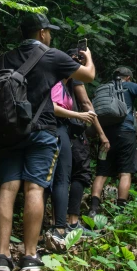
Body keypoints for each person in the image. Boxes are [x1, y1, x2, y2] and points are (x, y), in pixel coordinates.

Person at [0, 12, 95, 271]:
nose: (50, 35)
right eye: (49, 31)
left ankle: (2, 256)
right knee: (35, 188)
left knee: (7, 187)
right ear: (41, 33)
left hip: (8, 133)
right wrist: (88, 56)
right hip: (41, 131)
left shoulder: (3, 58)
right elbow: (89, 75)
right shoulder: (52, 55)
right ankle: (29, 255)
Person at [89, 65, 137, 216]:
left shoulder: (105, 89)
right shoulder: (129, 86)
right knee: (125, 172)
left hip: (104, 134)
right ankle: (120, 211)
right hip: (125, 134)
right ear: (127, 78)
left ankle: (93, 209)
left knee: (101, 172)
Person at [46, 76, 97, 249]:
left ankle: (54, 227)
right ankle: (63, 226)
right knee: (65, 178)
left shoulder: (57, 80)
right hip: (60, 130)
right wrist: (81, 117)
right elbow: (85, 102)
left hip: (47, 130)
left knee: (45, 181)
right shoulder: (62, 81)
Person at [65, 49, 110, 232]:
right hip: (74, 131)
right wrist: (101, 134)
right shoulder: (73, 75)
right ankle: (73, 222)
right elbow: (86, 104)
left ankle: (58, 222)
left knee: (60, 177)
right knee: (80, 173)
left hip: (55, 129)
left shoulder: (54, 72)